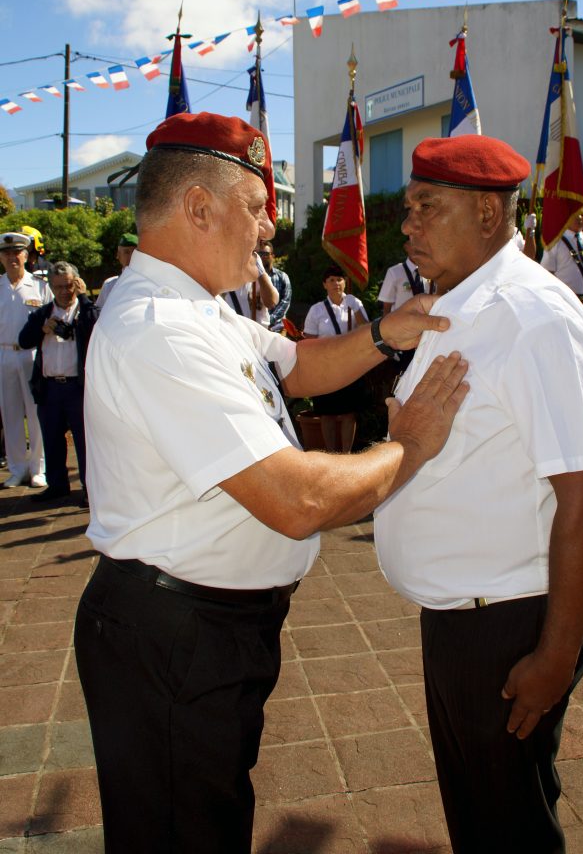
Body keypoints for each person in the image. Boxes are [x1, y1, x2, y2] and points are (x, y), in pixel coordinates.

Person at [74, 111, 469, 854]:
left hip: (205, 627)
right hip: (174, 634)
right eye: (256, 209)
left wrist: (389, 331)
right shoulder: (160, 327)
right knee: (180, 832)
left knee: (206, 814)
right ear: (198, 206)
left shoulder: (201, 308)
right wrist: (407, 446)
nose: (266, 232)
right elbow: (299, 501)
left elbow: (297, 365)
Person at [373, 134, 583, 854]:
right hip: (462, 613)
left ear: (486, 213)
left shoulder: (530, 316)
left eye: (426, 207)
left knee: (507, 825)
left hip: (506, 623)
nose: (407, 224)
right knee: (482, 814)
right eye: (407, 207)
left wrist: (554, 656)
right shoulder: (457, 307)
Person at [18, 261, 99, 505]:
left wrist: (84, 298)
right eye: (58, 287)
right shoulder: (43, 313)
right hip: (50, 386)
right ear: (51, 288)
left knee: (85, 441)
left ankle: (90, 488)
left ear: (76, 283)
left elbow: (97, 322)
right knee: (51, 438)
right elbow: (24, 341)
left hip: (77, 386)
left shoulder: (85, 311)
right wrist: (43, 329)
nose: (65, 291)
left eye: (68, 285)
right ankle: (57, 485)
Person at [0, 232, 51, 488]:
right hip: (4, 354)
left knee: (35, 412)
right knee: (10, 414)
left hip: (31, 355)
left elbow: (53, 318)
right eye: (7, 253)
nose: (12, 258)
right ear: (1, 257)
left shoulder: (40, 286)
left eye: (16, 253)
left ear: (25, 255)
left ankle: (38, 468)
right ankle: (17, 468)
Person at [302, 265, 369, 452]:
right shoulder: (316, 310)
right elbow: (309, 340)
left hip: (350, 363)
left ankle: (346, 453)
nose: (336, 283)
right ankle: (331, 452)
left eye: (339, 279)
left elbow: (366, 329)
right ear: (324, 285)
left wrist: (356, 310)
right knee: (327, 413)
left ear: (345, 282)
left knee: (349, 412)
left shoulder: (354, 303)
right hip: (326, 365)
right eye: (331, 280)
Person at [222, 250, 279, 326]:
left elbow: (271, 302)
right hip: (234, 330)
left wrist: (260, 272)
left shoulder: (262, 278)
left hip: (259, 334)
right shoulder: (226, 276)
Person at [95, 232, 138, 309]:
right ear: (118, 255)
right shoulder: (109, 286)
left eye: (135, 252)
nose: (131, 256)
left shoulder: (149, 281)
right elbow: (100, 312)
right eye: (126, 252)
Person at [257, 238, 292, 332]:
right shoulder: (253, 279)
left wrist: (269, 321)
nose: (262, 257)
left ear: (272, 256)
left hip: (278, 329)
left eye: (266, 254)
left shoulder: (283, 277)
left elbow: (285, 303)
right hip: (257, 328)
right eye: (260, 254)